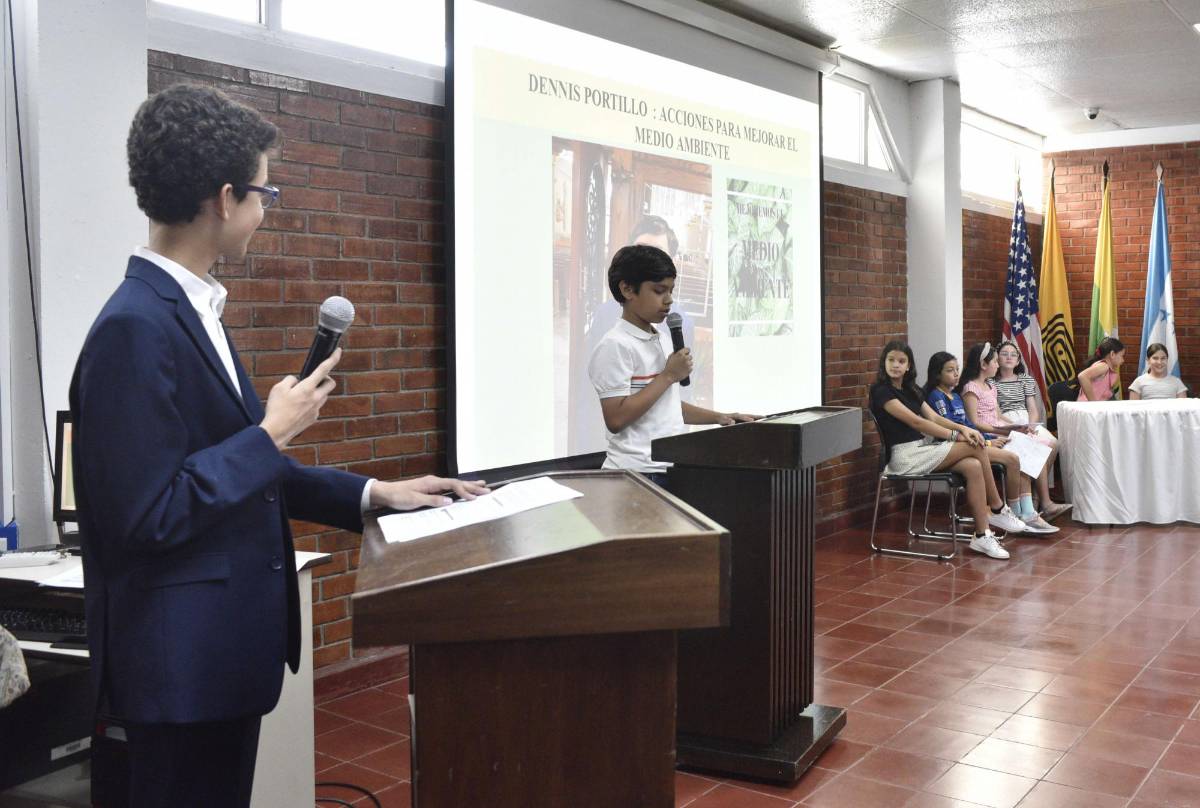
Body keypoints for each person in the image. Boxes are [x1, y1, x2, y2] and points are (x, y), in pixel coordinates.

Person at [69, 84, 487, 808]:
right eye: (265, 194)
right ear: (225, 199)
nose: (266, 211)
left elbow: (242, 473)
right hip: (176, 674)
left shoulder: (193, 307)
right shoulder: (134, 327)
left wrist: (374, 494)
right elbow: (147, 516)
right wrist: (269, 432)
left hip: (213, 662)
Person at [587, 244, 752, 484]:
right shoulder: (615, 345)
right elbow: (616, 419)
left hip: (668, 467)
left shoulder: (663, 339)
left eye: (671, 290)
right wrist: (668, 376)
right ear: (627, 289)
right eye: (659, 290)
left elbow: (667, 405)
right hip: (634, 474)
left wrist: (720, 417)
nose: (669, 300)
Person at [868, 341, 1027, 559]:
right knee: (975, 446)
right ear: (883, 363)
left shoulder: (911, 389)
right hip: (904, 456)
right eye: (891, 360)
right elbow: (918, 422)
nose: (896, 365)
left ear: (909, 366)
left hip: (924, 449)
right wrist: (957, 435)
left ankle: (982, 535)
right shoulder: (881, 391)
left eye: (901, 361)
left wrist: (963, 428)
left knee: (972, 465)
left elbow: (934, 418)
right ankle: (998, 508)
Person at [923, 352, 1052, 535]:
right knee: (1012, 459)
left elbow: (969, 425)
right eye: (950, 370)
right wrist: (989, 442)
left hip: (975, 442)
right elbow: (949, 428)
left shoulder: (955, 396)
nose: (956, 374)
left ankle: (1024, 511)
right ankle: (1012, 511)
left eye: (957, 369)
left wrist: (991, 438)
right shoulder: (937, 396)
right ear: (937, 374)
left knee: (1024, 452)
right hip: (956, 447)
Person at [958, 342, 1062, 531]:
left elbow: (998, 415)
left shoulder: (989, 386)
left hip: (1000, 429)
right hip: (988, 434)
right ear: (983, 365)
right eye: (995, 361)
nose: (998, 364)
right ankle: (1021, 511)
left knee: (1032, 447)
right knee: (1022, 454)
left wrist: (1015, 427)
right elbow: (975, 422)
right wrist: (1003, 431)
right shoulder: (971, 388)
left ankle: (1027, 510)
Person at [992, 340, 1072, 521]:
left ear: (1018, 360)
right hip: (1006, 422)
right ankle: (1042, 501)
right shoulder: (991, 382)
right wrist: (1017, 427)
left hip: (1026, 419)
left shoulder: (1025, 379)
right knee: (1035, 448)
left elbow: (1033, 408)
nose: (1009, 357)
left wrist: (1030, 425)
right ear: (997, 358)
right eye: (1004, 354)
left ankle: (1035, 495)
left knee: (1052, 443)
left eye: (1013, 354)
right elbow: (996, 413)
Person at [1077, 337, 1125, 401]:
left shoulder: (1108, 369)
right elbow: (1082, 376)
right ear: (1112, 354)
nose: (1123, 360)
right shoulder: (1104, 366)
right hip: (1087, 406)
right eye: (1122, 356)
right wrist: (1093, 402)